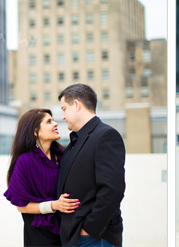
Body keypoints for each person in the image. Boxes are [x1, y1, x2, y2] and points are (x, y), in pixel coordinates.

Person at [56, 84, 126, 247]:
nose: (63, 116)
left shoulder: (106, 135)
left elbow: (112, 189)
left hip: (94, 238)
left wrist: (89, 229)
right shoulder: (75, 141)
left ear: (77, 105)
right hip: (75, 236)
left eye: (64, 109)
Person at [3, 108, 81, 247]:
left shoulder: (63, 155)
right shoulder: (25, 161)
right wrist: (54, 205)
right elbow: (22, 207)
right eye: (49, 121)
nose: (56, 124)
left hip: (68, 230)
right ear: (35, 131)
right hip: (40, 236)